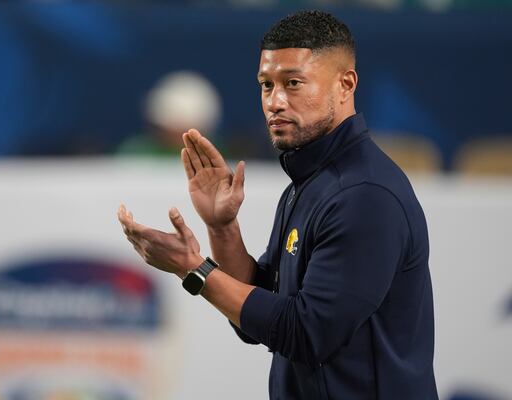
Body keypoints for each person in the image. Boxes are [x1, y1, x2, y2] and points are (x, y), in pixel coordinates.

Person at [117, 10, 438, 400]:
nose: (275, 101)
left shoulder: (364, 195)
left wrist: (192, 268)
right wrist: (222, 227)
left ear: (345, 84)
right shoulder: (311, 183)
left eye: (293, 83)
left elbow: (305, 334)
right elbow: (258, 314)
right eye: (266, 85)